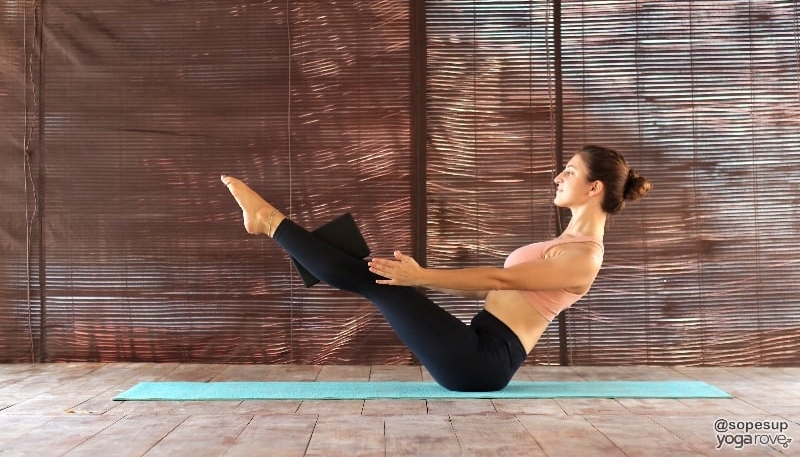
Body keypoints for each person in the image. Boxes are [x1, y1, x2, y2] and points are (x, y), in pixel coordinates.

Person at [221, 144, 651, 392]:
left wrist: (421, 276)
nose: (558, 176)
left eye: (570, 171)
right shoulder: (564, 243)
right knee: (375, 271)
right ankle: (280, 231)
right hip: (476, 345)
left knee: (381, 282)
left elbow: (499, 279)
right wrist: (415, 276)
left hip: (483, 364)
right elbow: (496, 284)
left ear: (594, 187)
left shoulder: (585, 254)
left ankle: (268, 222)